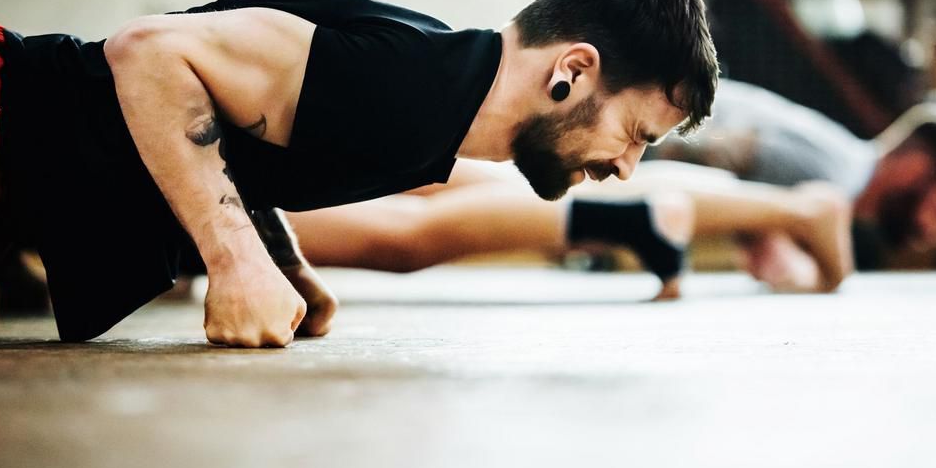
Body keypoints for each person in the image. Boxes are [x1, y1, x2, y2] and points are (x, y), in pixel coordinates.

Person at [0, 0, 719, 347]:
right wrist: (233, 260)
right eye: (635, 135)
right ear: (573, 69)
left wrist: (281, 262)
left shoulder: (439, 93)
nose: (625, 166)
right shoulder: (411, 85)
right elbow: (147, 51)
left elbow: (250, 125)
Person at [283, 159, 854, 298]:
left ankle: (633, 219)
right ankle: (793, 210)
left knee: (405, 236)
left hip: (217, 184)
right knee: (485, 184)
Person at [651, 80, 936, 270]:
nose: (934, 232)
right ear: (916, 165)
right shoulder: (837, 175)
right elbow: (701, 147)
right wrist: (764, 235)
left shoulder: (842, 167)